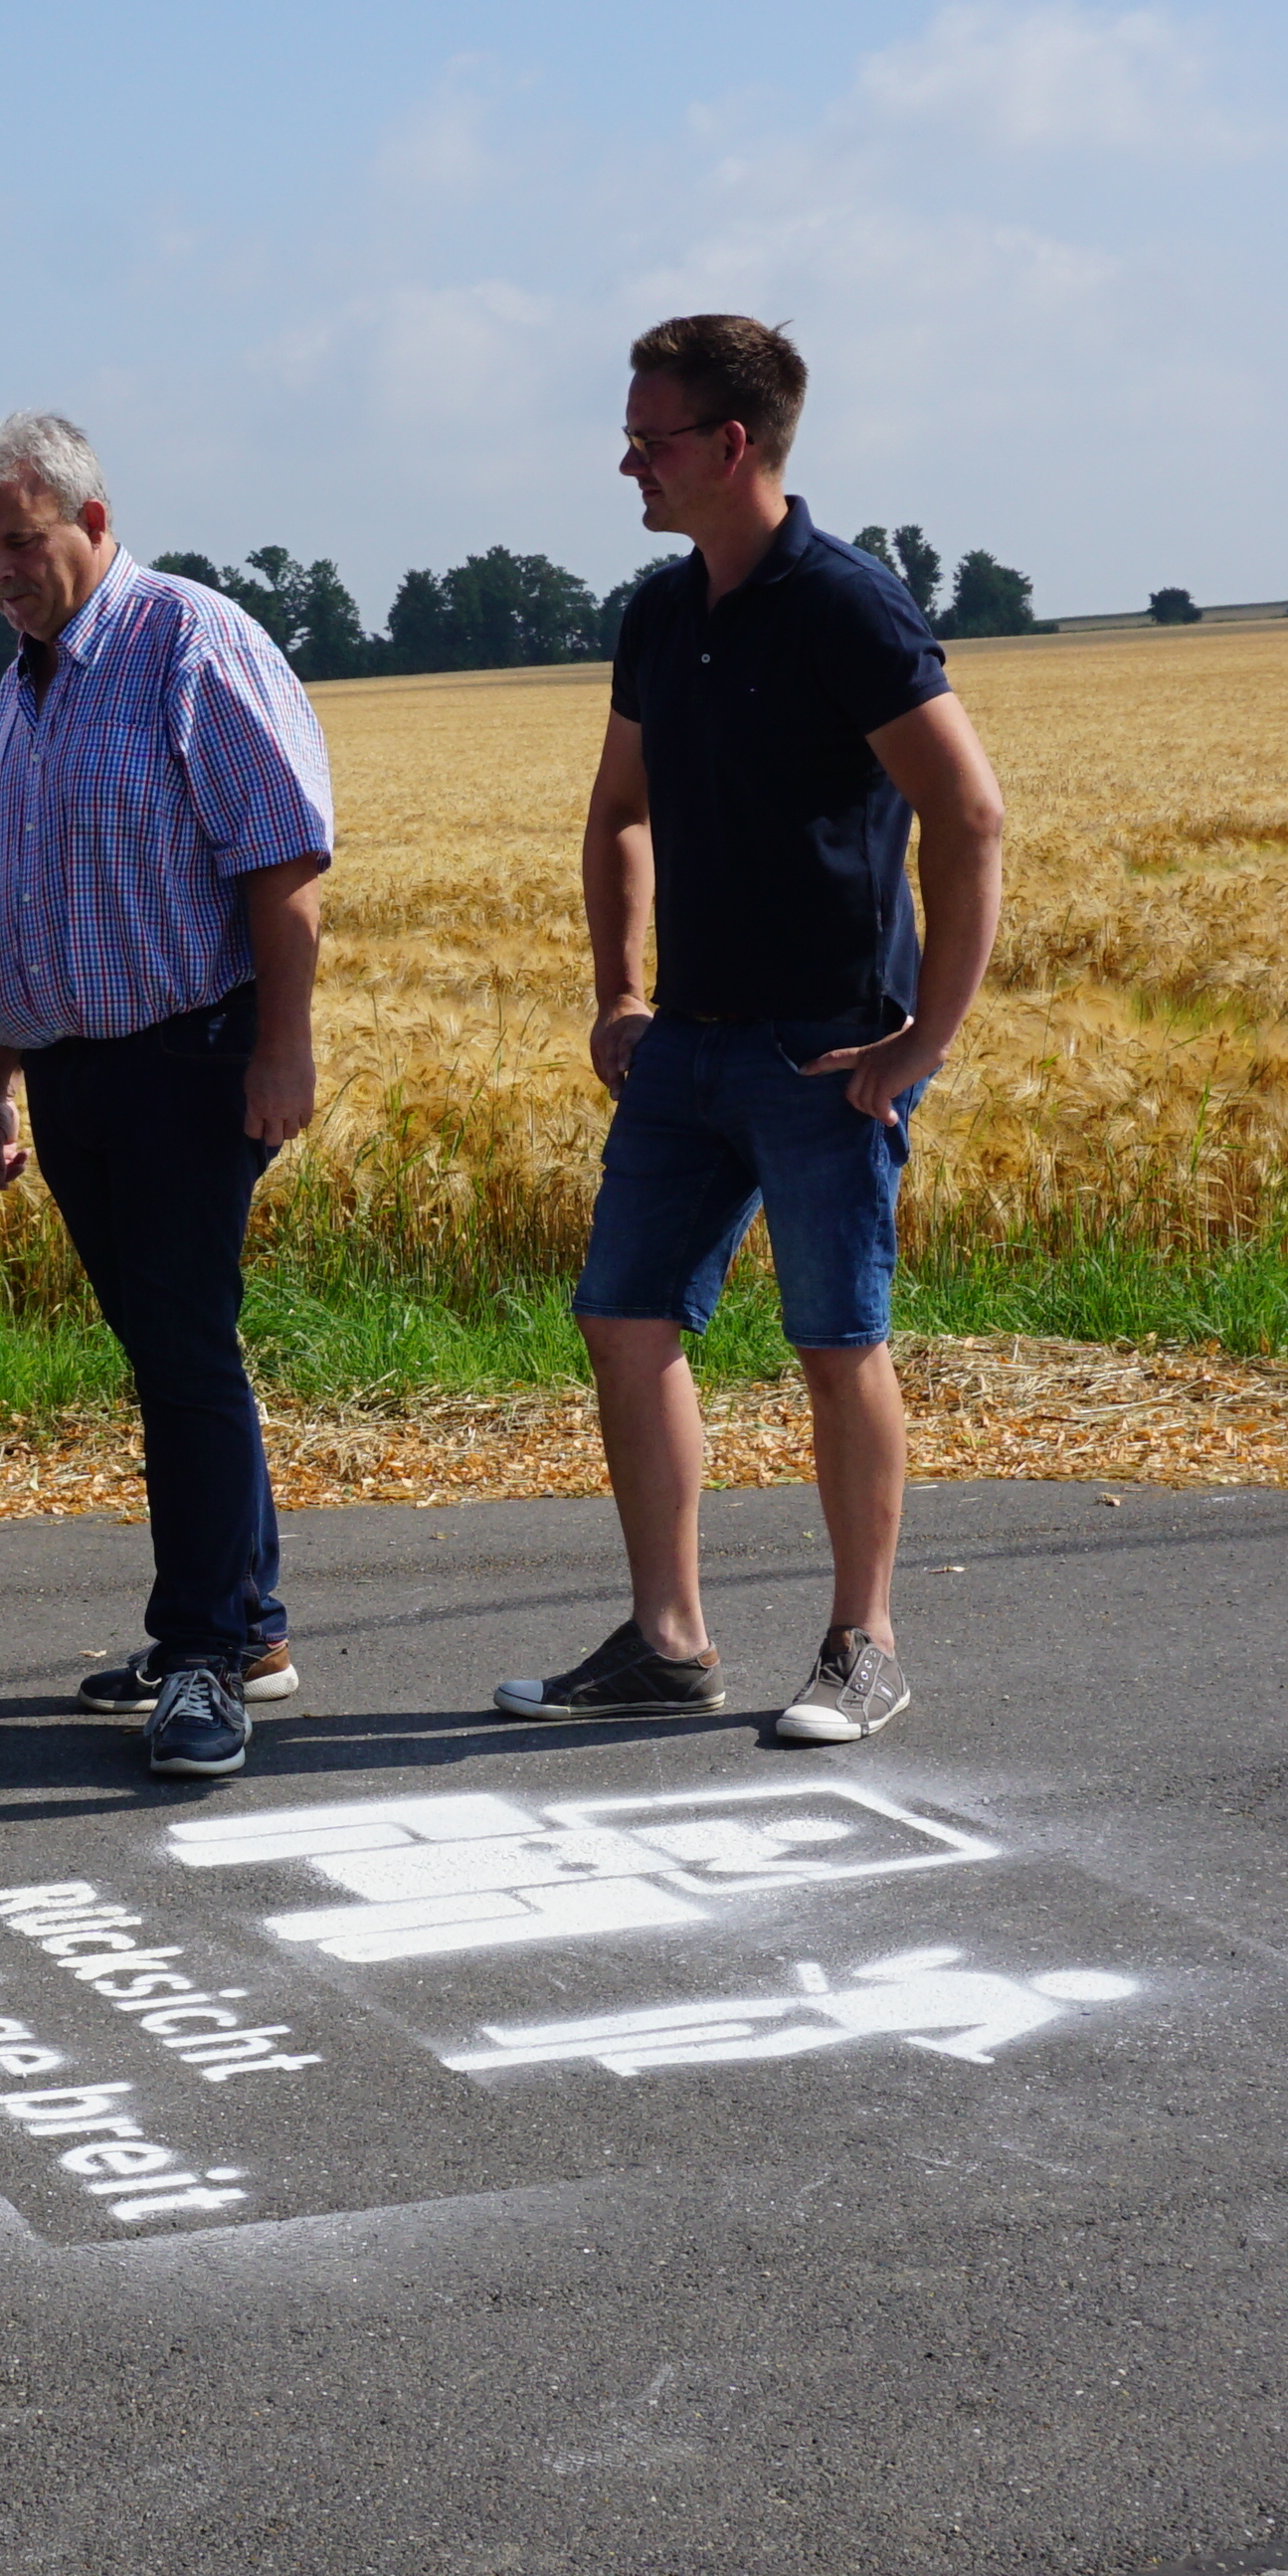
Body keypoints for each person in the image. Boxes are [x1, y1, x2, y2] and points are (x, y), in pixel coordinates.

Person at [490, 313, 1008, 1748]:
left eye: (649, 439)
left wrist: (923, 1043)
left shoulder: (848, 609)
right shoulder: (660, 613)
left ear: (732, 445)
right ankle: (668, 1642)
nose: (625, 462)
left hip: (823, 1053)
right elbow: (616, 813)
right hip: (687, 1051)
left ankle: (864, 1645)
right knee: (622, 1315)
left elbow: (968, 816)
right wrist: (619, 994)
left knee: (838, 1341)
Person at [0, 413, 336, 1782]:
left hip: (188, 1057)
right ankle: (252, 1629)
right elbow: (6, 904)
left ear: (94, 525)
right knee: (171, 1351)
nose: (2, 567)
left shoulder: (189, 643)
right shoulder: (27, 682)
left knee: (183, 1353)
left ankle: (206, 1654)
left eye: (24, 540)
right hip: (69, 1073)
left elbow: (282, 861)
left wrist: (282, 1050)